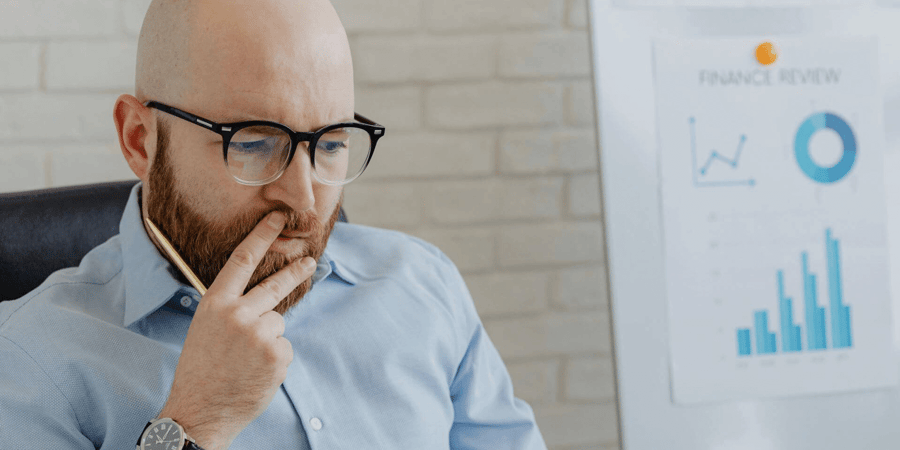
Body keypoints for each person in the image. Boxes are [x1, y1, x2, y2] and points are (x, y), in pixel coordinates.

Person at [0, 0, 547, 449]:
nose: (304, 195)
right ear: (140, 140)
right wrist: (194, 423)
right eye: (254, 144)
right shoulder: (28, 361)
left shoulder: (422, 285)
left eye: (331, 143)